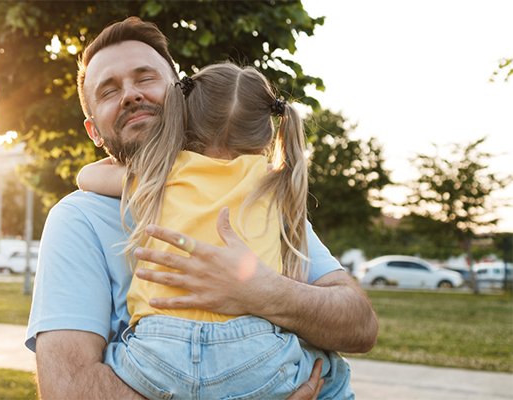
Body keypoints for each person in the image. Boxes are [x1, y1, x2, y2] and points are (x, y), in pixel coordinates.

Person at [26, 17, 378, 399]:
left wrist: (262, 291)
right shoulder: (78, 219)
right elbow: (68, 390)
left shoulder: (257, 194)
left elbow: (359, 325)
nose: (130, 94)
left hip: (161, 365)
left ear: (182, 95)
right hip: (262, 368)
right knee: (329, 373)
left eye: (145, 78)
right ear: (94, 131)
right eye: (109, 91)